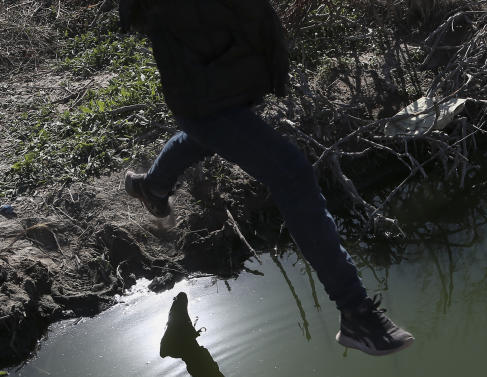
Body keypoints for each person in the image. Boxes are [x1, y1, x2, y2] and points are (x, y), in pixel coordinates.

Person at [118, 0, 414, 356]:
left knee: (209, 136)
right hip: (202, 86)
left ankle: (152, 186)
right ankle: (356, 312)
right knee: (290, 171)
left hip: (227, 73)